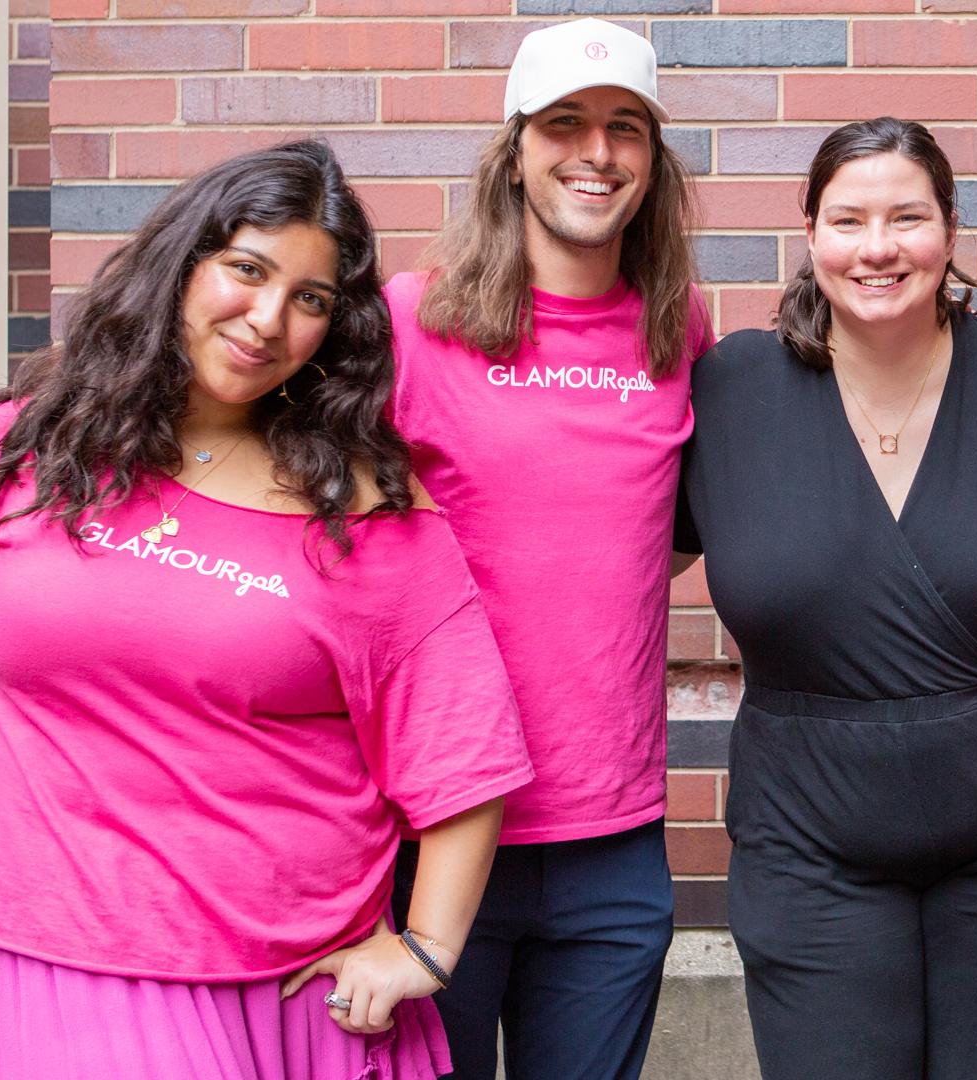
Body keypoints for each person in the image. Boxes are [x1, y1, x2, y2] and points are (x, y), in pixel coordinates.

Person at [0, 140, 531, 1079]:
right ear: (181, 264)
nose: (267, 319)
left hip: (267, 978)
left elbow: (462, 763)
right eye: (246, 269)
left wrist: (426, 947)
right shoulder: (18, 449)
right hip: (27, 944)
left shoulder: (363, 517)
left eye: (310, 299)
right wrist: (90, 787)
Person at [673, 116, 977, 1080]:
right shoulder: (730, 394)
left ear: (951, 231)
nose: (877, 247)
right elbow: (607, 555)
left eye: (906, 218)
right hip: (807, 839)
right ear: (809, 231)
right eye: (848, 220)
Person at [382, 18, 709, 1080]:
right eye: (564, 124)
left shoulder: (678, 330)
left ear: (652, 162)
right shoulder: (412, 321)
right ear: (514, 151)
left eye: (625, 129)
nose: (596, 153)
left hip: (613, 834)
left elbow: (640, 541)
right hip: (432, 833)